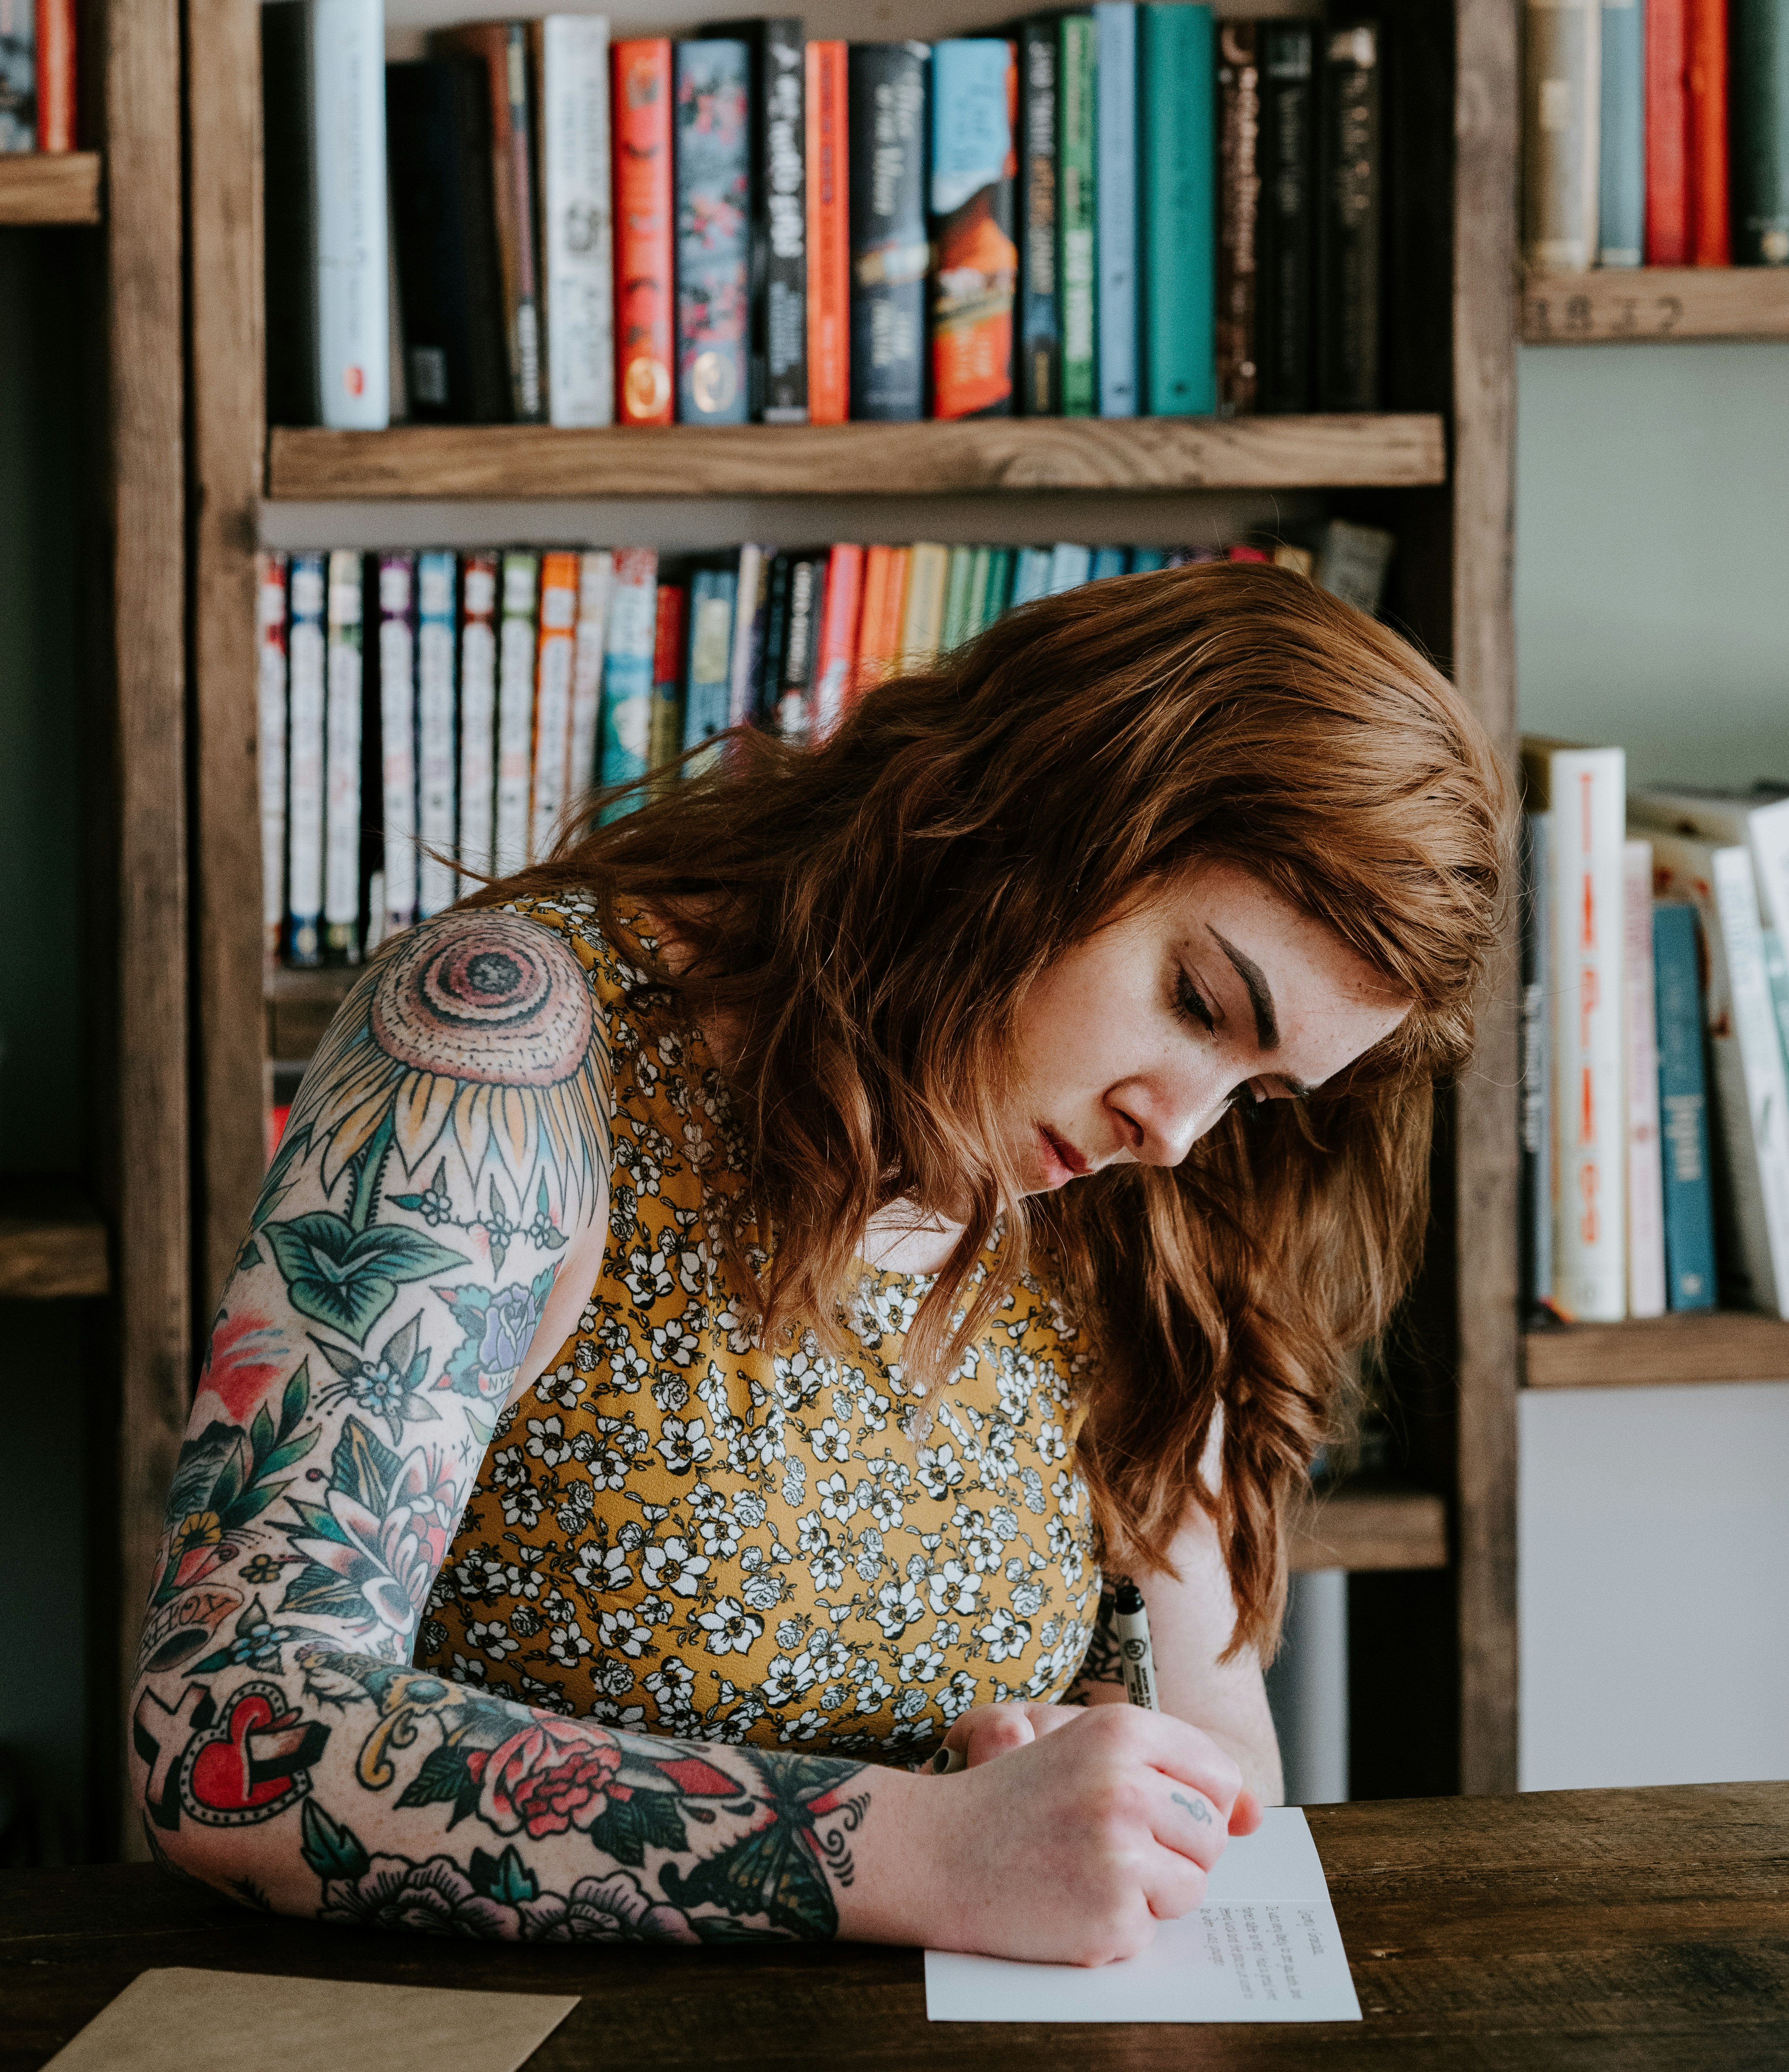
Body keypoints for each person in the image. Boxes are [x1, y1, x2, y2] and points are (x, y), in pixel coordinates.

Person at [131, 562, 1508, 1963]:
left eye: (1256, 1092)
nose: (1177, 1129)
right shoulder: (515, 1049)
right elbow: (231, 1722)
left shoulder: (1133, 1205)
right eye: (1196, 1001)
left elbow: (1227, 1771)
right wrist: (925, 1846)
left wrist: (1096, 1793)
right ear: (1038, 817)